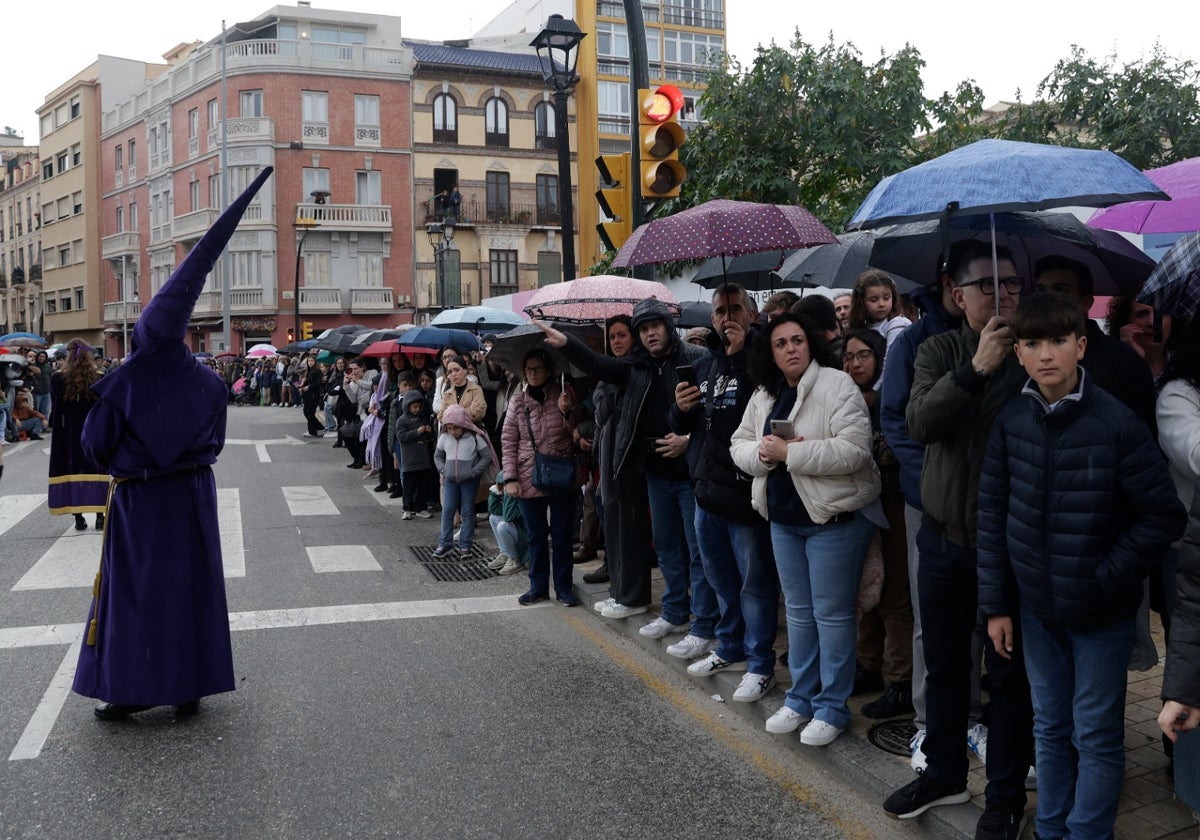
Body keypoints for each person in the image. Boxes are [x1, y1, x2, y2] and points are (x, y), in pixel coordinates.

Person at [979, 292, 1184, 840]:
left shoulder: (1117, 424)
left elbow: (1162, 515)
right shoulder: (1011, 421)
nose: (1046, 353)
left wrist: (1105, 575)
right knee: (1050, 727)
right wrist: (998, 604)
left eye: (1059, 341)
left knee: (1095, 734)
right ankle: (1051, 829)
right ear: (1017, 352)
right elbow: (993, 514)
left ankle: (1087, 833)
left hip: (1100, 614)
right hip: (1036, 612)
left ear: (1081, 346)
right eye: (1033, 342)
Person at [72, 165, 272, 720]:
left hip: (139, 501)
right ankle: (190, 686)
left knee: (136, 594)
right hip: (191, 495)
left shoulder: (123, 384)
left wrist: (134, 460)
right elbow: (216, 439)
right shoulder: (209, 382)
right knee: (190, 587)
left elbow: (94, 447)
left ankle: (130, 689)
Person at [882, 241, 1033, 839]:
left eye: (1012, 284)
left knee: (1008, 679)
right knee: (945, 667)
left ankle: (1004, 797)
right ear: (957, 294)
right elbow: (920, 422)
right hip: (944, 539)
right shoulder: (936, 349)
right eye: (988, 285)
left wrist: (1008, 361)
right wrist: (976, 369)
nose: (1004, 295)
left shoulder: (1035, 353)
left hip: (1012, 548)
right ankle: (943, 771)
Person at [729, 313, 880, 746]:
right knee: (797, 613)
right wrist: (764, 453)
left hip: (832, 520)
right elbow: (738, 444)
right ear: (770, 353)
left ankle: (832, 707)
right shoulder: (763, 394)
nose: (791, 348)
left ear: (811, 344)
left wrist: (792, 454)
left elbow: (854, 451)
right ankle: (800, 698)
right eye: (781, 343)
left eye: (798, 339)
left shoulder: (837, 384)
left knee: (831, 616)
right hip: (783, 520)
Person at [537, 301, 715, 654]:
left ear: (667, 326)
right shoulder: (637, 366)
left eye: (655, 326)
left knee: (700, 552)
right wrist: (567, 342)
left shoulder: (697, 356)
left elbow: (714, 413)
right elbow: (600, 365)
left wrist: (689, 441)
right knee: (666, 548)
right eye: (643, 328)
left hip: (691, 473)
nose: (650, 333)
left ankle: (705, 623)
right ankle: (675, 612)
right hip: (655, 473)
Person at [877, 246, 973, 773]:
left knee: (984, 616)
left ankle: (973, 715)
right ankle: (927, 723)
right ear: (944, 285)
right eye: (966, 282)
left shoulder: (995, 339)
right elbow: (897, 422)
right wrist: (930, 483)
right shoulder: (911, 343)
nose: (973, 293)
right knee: (928, 618)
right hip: (926, 503)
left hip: (984, 507)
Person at [671, 284, 781, 702]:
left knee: (755, 583)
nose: (726, 317)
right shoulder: (706, 364)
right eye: (719, 311)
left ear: (752, 315)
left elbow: (765, 405)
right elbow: (686, 426)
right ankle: (729, 645)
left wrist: (741, 359)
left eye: (735, 308)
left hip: (744, 494)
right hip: (707, 493)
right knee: (721, 579)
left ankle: (759, 663)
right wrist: (678, 409)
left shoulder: (764, 359)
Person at [842, 328, 913, 719]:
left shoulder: (891, 399)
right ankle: (867, 665)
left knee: (893, 596)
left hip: (894, 507)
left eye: (864, 355)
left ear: (880, 359)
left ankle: (900, 682)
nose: (855, 363)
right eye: (849, 356)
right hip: (860, 509)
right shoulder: (843, 399)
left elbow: (893, 453)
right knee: (865, 589)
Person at [500, 349, 582, 606]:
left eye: (537, 368)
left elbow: (577, 431)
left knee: (561, 535)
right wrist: (510, 478)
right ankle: (538, 587)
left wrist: (568, 412)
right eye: (529, 369)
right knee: (536, 536)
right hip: (528, 475)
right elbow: (509, 440)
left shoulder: (564, 394)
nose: (533, 373)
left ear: (549, 370)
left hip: (561, 474)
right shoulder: (518, 402)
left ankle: (564, 587)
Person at [582, 314, 635, 586]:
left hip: (623, 459)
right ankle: (611, 567)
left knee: (621, 521)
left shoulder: (630, 371)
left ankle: (620, 577)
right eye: (612, 336)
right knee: (605, 512)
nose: (616, 341)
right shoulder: (608, 373)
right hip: (604, 454)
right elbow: (599, 415)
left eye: (621, 335)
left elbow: (604, 411)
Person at [47, 340, 109, 531]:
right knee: (96, 469)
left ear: (68, 354)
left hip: (69, 432)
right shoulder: (99, 375)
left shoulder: (58, 378)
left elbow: (56, 408)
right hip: (93, 431)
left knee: (72, 470)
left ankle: (78, 518)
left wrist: (54, 428)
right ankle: (100, 516)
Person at [433, 404, 497, 556]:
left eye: (456, 428)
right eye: (449, 428)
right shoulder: (444, 437)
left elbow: (486, 456)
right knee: (447, 510)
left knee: (468, 512)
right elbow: (438, 456)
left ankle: (465, 545)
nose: (453, 432)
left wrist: (474, 472)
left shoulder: (475, 437)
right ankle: (444, 543)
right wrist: (443, 470)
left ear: (463, 424)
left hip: (469, 481)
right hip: (450, 481)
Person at [848, 269, 912, 352]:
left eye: (886, 298)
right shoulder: (864, 326)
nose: (881, 304)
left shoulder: (897, 324)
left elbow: (891, 360)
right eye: (873, 300)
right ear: (861, 302)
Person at [397, 390, 436, 519]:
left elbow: (430, 437)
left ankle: (420, 507)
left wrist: (429, 432)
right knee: (409, 486)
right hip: (410, 460)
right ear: (407, 406)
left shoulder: (423, 419)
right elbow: (401, 437)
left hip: (423, 459)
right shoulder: (402, 420)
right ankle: (407, 508)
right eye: (414, 407)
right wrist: (417, 432)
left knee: (422, 485)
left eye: (419, 407)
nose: (417, 409)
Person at [486, 469, 528, 575]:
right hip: (518, 529)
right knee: (493, 518)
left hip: (526, 534)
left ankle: (514, 560)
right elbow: (494, 510)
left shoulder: (519, 494)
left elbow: (509, 516)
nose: (504, 487)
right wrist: (495, 493)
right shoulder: (506, 494)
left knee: (503, 526)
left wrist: (508, 495)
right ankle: (505, 553)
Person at [436, 354, 487, 424]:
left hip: (472, 431)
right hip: (452, 433)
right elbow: (441, 416)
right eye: (450, 372)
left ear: (465, 370)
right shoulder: (447, 393)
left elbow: (478, 414)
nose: (453, 374)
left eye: (456, 370)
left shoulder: (476, 389)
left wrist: (450, 412)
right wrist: (468, 410)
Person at [298, 355, 325, 437]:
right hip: (308, 394)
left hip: (314, 394)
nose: (310, 362)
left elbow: (318, 383)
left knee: (309, 412)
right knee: (306, 411)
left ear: (315, 362)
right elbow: (307, 382)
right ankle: (318, 426)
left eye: (312, 361)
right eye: (309, 361)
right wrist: (302, 386)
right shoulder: (309, 371)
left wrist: (308, 387)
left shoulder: (317, 371)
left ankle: (312, 431)